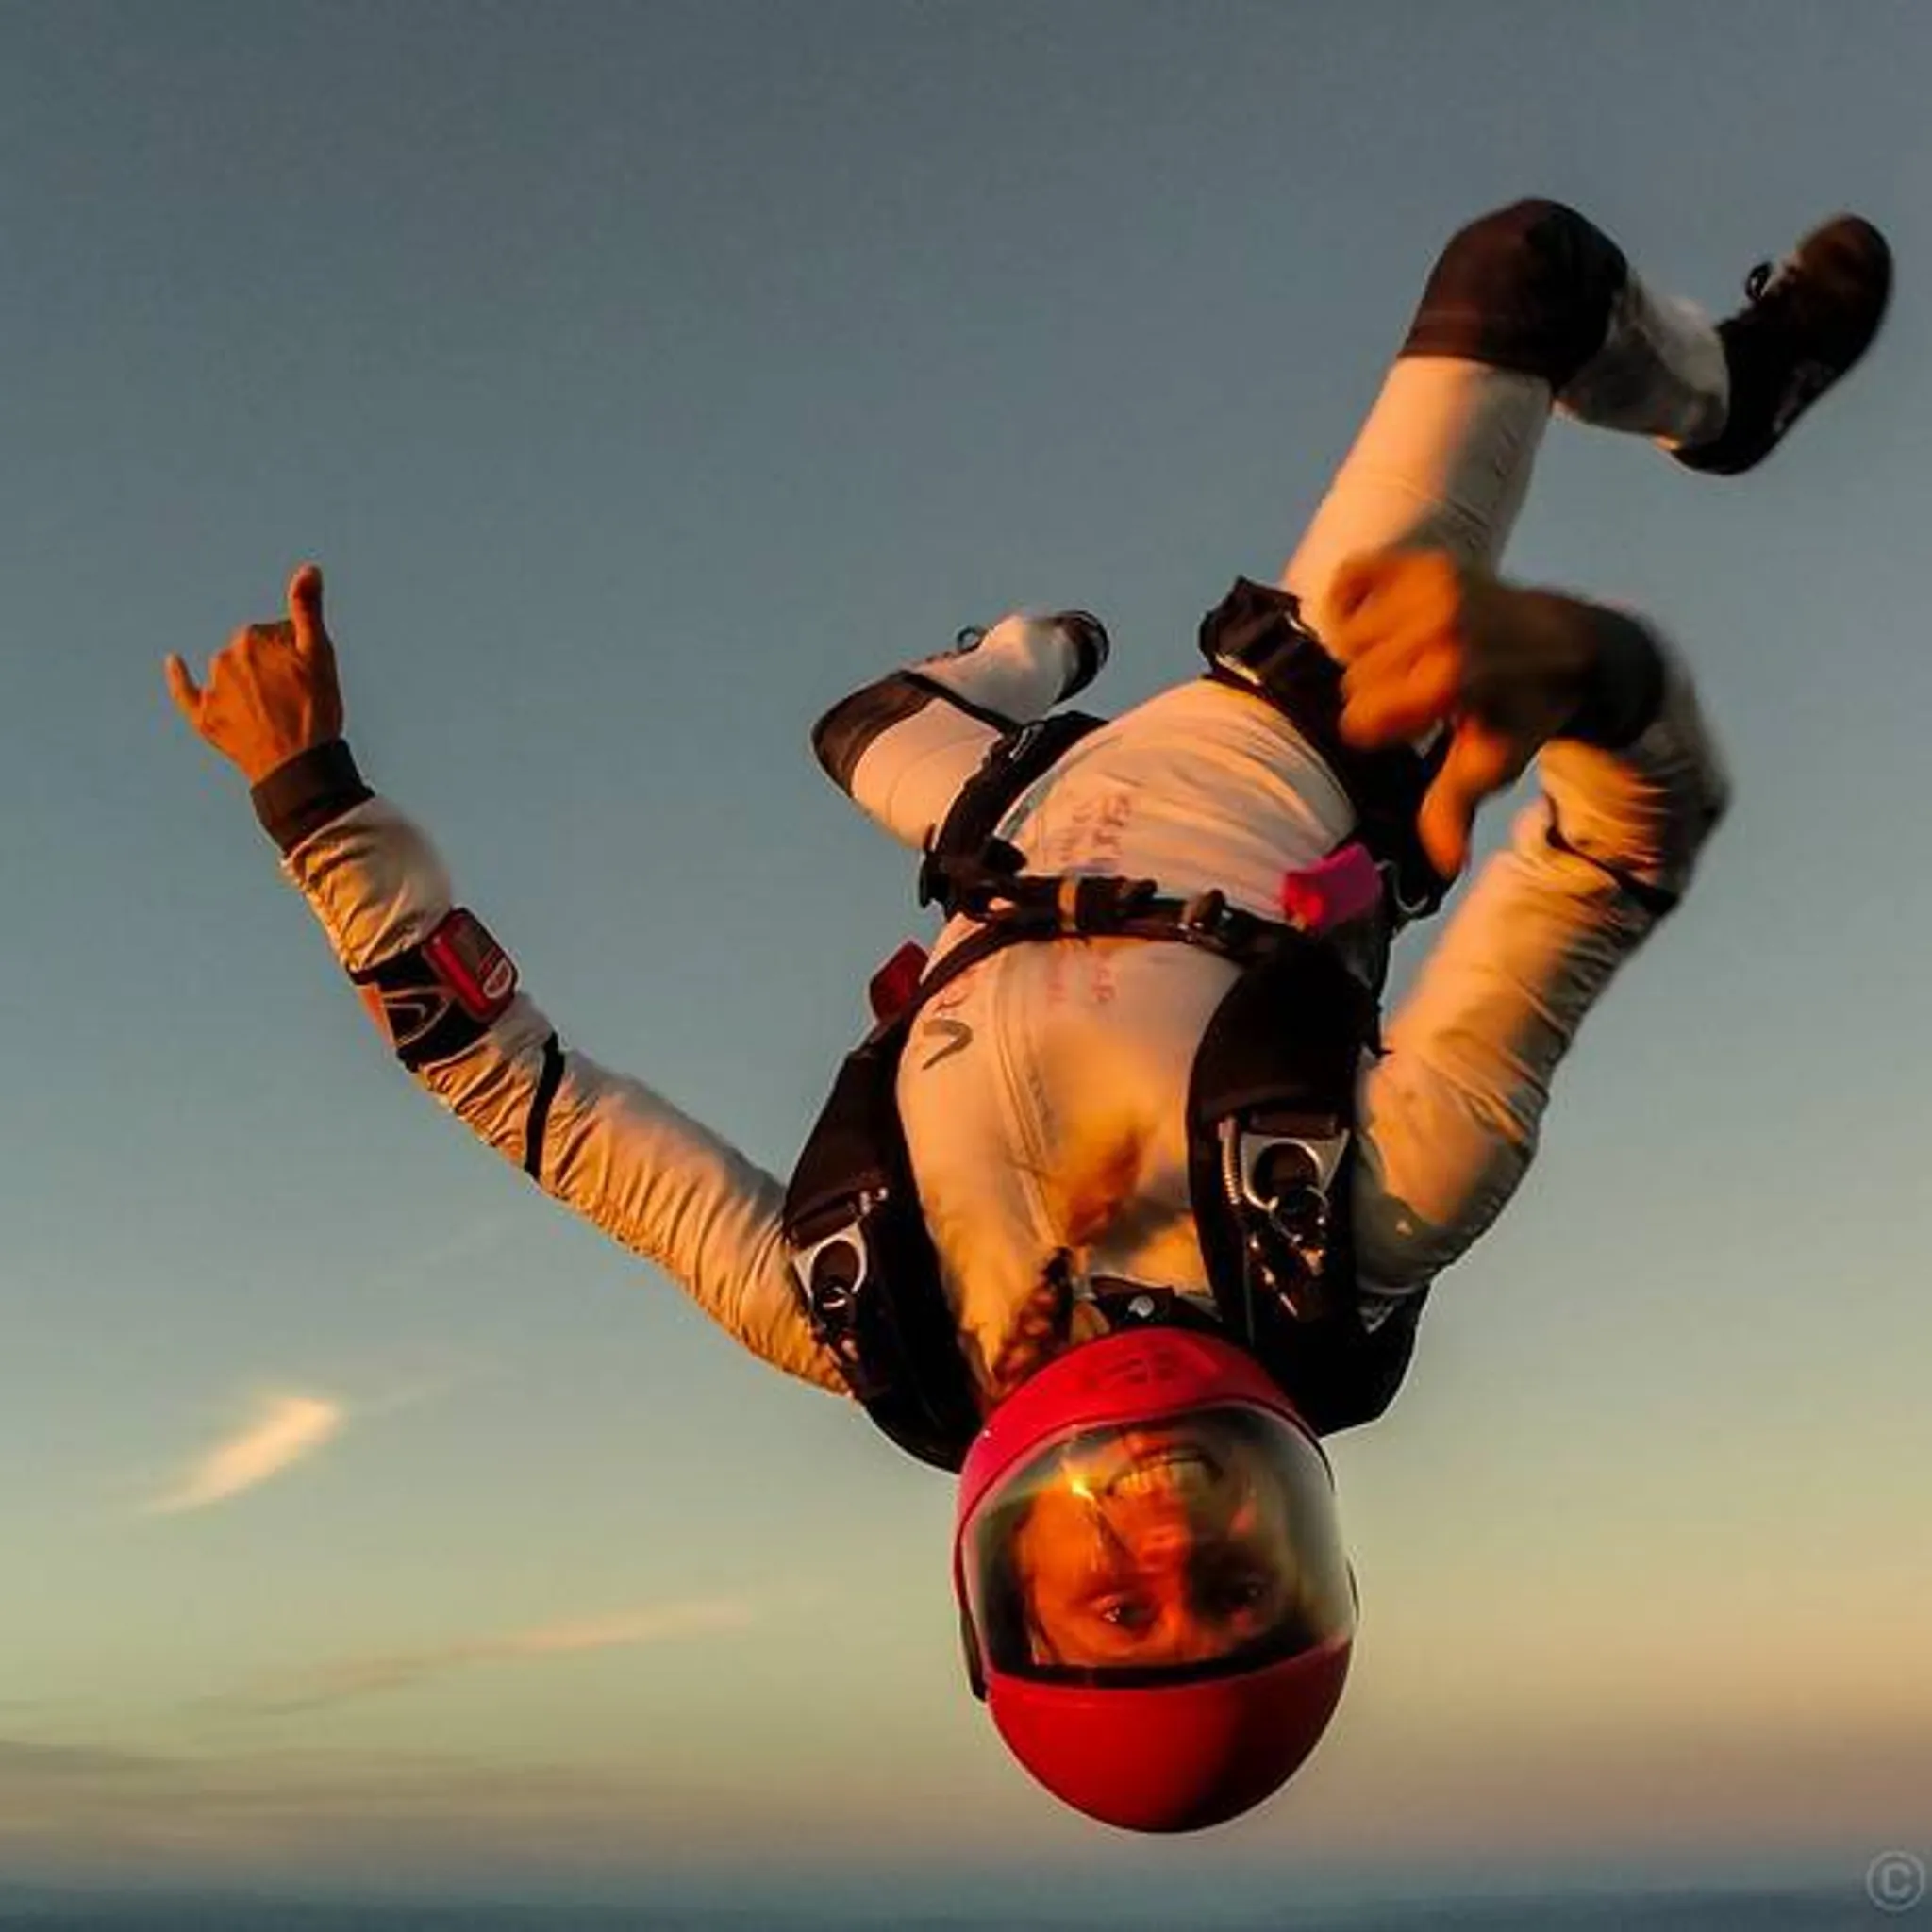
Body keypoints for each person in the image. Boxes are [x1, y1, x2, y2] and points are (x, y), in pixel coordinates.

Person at [168, 199, 1890, 1834]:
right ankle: (1731, 397)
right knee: (1525, 269)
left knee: (855, 727)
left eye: (1107, 1597)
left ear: (993, 1579)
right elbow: (1619, 856)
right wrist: (1596, 677)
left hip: (1003, 836)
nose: (1152, 1525)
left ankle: (1041, 650)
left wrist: (318, 810)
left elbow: (525, 1095)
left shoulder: (862, 1308)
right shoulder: (1361, 1221)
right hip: (1309, 718)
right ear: (1305, 1526)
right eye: (1230, 1576)